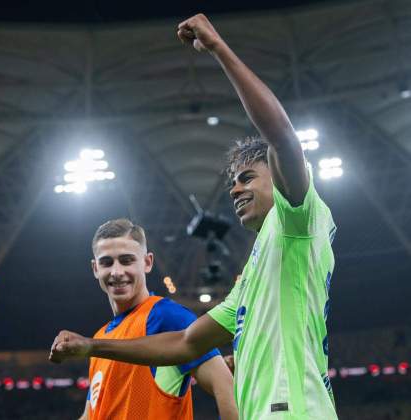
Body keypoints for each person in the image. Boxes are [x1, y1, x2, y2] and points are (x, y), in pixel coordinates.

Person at [50, 13, 338, 420]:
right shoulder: (257, 273)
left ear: (280, 175)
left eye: (246, 177)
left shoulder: (298, 221)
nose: (235, 188)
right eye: (232, 182)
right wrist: (91, 346)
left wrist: (219, 48)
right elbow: (185, 343)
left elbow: (282, 137)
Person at [70, 218, 237, 420]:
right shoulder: (99, 340)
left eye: (126, 260)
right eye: (107, 262)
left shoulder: (166, 316)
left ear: (147, 262)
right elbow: (90, 415)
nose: (116, 271)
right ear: (95, 268)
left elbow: (225, 385)